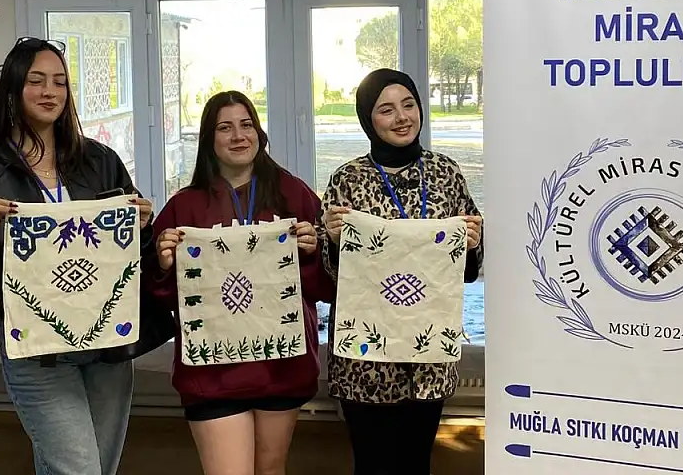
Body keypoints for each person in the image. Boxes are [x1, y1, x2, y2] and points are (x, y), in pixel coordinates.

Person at [0, 37, 175, 475]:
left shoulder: (99, 160)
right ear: (13, 89)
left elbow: (133, 255)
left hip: (107, 344)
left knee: (97, 467)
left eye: (60, 82)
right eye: (37, 81)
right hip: (35, 347)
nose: (50, 92)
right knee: (79, 469)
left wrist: (140, 225)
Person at [148, 91, 333, 475]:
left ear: (259, 133)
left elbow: (327, 287)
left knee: (271, 470)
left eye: (246, 125)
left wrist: (313, 252)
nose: (238, 136)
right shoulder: (185, 206)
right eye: (225, 128)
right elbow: (157, 294)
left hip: (282, 367)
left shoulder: (293, 193)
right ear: (208, 139)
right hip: (212, 374)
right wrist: (164, 265)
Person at [318, 68, 484, 475]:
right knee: (373, 463)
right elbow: (330, 275)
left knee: (415, 462)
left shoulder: (446, 174)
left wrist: (472, 243)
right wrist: (335, 240)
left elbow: (464, 271)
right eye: (386, 109)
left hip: (428, 354)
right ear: (367, 119)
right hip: (366, 359)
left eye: (409, 105)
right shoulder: (348, 180)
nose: (402, 117)